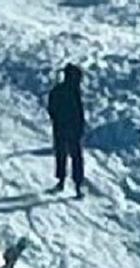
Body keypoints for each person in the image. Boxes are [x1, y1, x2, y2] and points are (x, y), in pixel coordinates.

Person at [47, 63, 86, 197]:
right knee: (76, 157)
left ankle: (61, 181)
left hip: (60, 128)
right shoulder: (75, 91)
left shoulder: (58, 90)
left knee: (61, 155)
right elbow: (79, 112)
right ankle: (77, 185)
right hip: (73, 129)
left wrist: (56, 120)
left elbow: (51, 108)